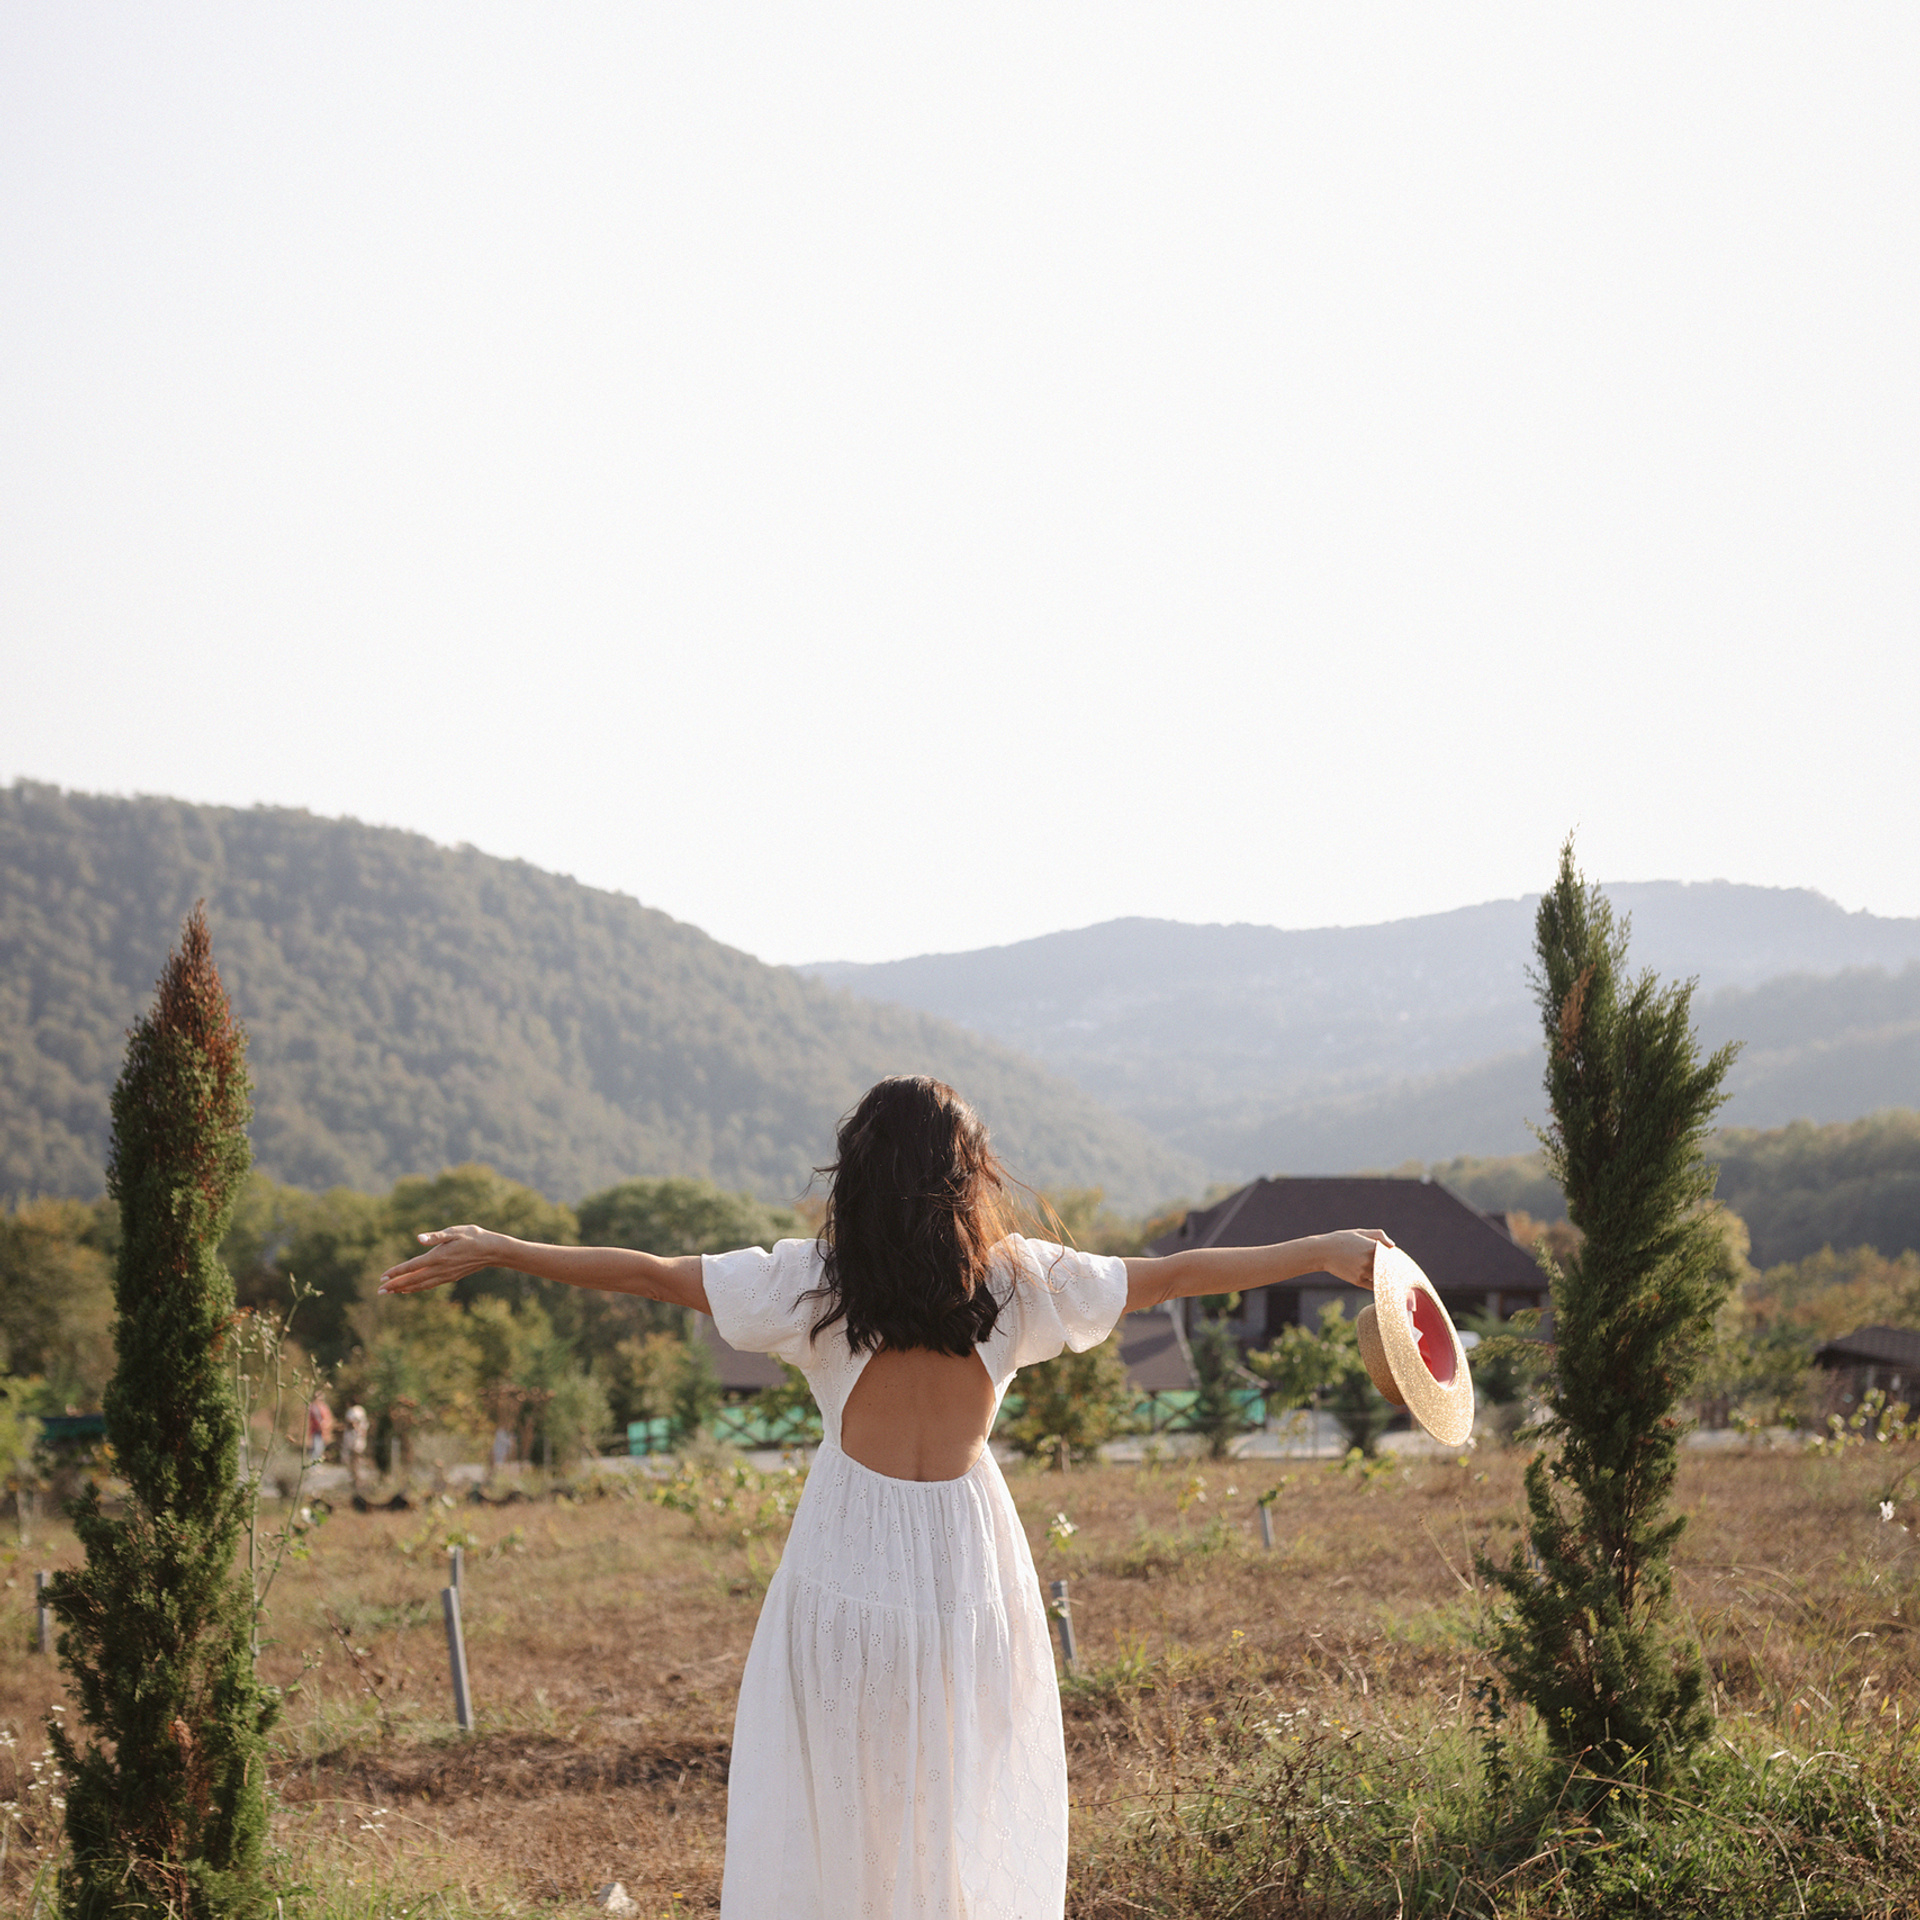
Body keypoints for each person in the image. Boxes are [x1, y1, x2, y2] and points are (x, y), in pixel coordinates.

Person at [379, 1076, 1388, 1919]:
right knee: (955, 1798)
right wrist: (1321, 1250)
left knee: (846, 1808)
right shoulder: (1024, 1284)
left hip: (845, 1561)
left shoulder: (813, 1285)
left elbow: (651, 1275)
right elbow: (1175, 1276)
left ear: (857, 1177)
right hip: (965, 1563)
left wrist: (505, 1247)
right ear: (968, 1176)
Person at [342, 1401, 370, 1491]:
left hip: (353, 1437)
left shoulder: (352, 1411)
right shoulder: (361, 1410)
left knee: (354, 1458)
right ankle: (356, 1477)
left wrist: (356, 1429)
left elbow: (352, 1422)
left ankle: (356, 1478)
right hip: (359, 1437)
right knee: (356, 1457)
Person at [306, 1393, 335, 1466]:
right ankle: (312, 1466)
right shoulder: (313, 1407)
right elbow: (316, 1419)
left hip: (323, 1431)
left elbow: (328, 1418)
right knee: (316, 1449)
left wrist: (326, 1425)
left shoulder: (324, 1407)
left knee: (320, 1449)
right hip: (316, 1431)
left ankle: (316, 1465)